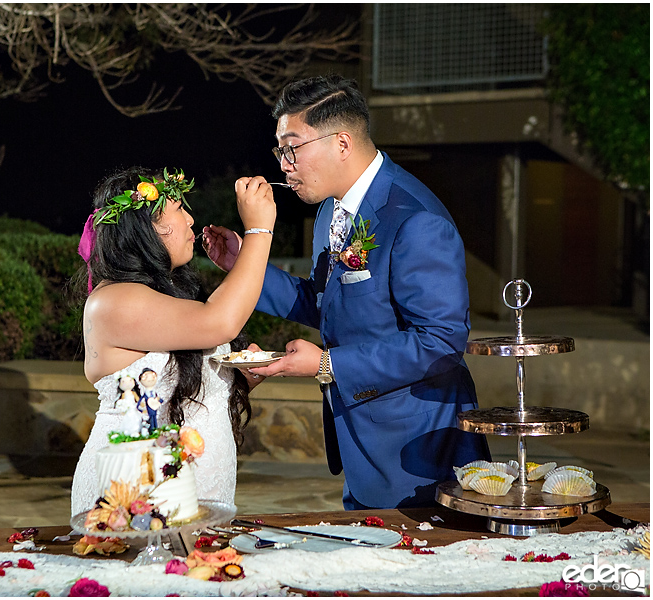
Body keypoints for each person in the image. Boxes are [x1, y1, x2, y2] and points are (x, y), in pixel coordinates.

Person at [202, 74, 491, 510]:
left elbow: (441, 342)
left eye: (292, 148)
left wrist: (327, 363)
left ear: (341, 143)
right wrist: (246, 261)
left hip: (416, 447)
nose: (284, 164)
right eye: (280, 150)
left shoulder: (415, 219)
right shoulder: (330, 211)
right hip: (361, 439)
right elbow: (329, 306)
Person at [70, 166, 276, 517]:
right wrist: (259, 230)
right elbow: (220, 321)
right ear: (145, 228)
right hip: (132, 497)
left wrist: (239, 379)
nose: (191, 219)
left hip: (198, 491)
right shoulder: (113, 301)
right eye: (179, 209)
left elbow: (185, 389)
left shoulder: (166, 294)